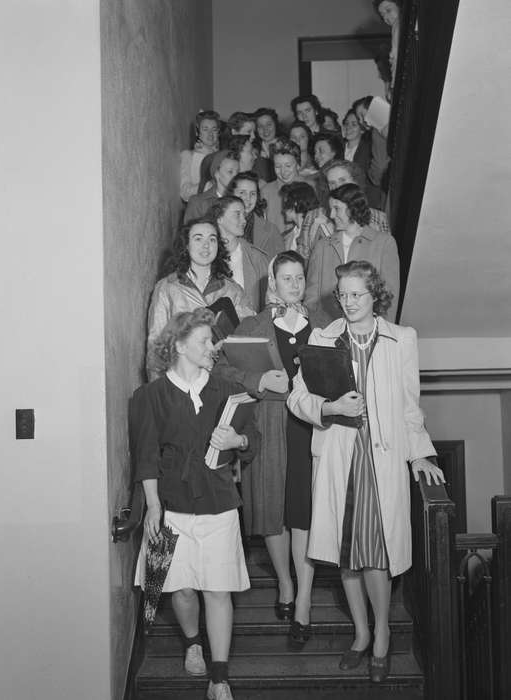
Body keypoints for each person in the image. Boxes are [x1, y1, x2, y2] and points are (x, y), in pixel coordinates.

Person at [287, 260, 444, 682]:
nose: (350, 302)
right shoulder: (322, 337)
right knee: (347, 553)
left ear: (376, 294)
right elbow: (295, 398)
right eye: (343, 294)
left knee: (376, 551)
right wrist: (330, 408)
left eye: (358, 293)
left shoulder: (401, 339)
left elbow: (410, 407)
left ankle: (382, 633)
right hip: (340, 455)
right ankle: (359, 633)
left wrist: (421, 455)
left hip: (382, 457)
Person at [132, 308, 260, 700]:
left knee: (218, 590)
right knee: (183, 590)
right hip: (172, 506)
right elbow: (146, 455)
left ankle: (219, 678)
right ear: (180, 345)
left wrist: (236, 442)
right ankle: (192, 642)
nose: (213, 348)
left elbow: (252, 438)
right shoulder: (149, 396)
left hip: (220, 503)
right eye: (205, 341)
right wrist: (153, 506)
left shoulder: (225, 390)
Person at [215, 251, 315, 646]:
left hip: (310, 427)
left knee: (304, 511)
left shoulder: (323, 325)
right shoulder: (253, 324)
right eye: (285, 277)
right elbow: (222, 368)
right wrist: (259, 379)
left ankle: (304, 599)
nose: (293, 284)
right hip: (269, 426)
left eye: (299, 277)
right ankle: (286, 584)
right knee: (273, 508)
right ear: (271, 281)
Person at [145, 218, 254, 381]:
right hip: (181, 382)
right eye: (198, 238)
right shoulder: (167, 288)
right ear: (186, 245)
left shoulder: (233, 290)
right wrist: (161, 394)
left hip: (224, 381)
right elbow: (156, 346)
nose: (206, 245)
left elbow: (249, 340)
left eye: (212, 239)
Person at [304, 183, 399, 326]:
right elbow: (311, 297)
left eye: (337, 209)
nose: (331, 215)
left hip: (369, 331)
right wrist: (316, 331)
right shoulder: (322, 246)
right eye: (331, 209)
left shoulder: (384, 243)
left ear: (353, 208)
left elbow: (390, 296)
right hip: (327, 330)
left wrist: (383, 332)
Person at [208, 196, 270, 312]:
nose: (244, 221)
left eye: (244, 215)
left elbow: (268, 302)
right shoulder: (206, 257)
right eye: (237, 214)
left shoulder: (257, 258)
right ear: (219, 218)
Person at [225, 171, 284, 257]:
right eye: (242, 193)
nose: (248, 198)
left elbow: (282, 265)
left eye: (252, 194)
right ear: (231, 194)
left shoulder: (271, 231)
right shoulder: (219, 226)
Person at [326, 160, 391, 234]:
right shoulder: (317, 218)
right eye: (332, 183)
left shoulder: (378, 218)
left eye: (342, 180)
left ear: (356, 181)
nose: (337, 186)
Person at [261, 140, 309, 232]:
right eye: (278, 166)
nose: (283, 172)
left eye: (288, 166)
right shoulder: (266, 191)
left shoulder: (310, 187)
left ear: (298, 165)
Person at [342, 108, 384, 210]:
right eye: (346, 124)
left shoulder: (370, 149)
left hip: (364, 202)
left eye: (354, 124)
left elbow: (373, 181)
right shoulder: (338, 147)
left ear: (362, 128)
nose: (348, 127)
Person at [352, 96, 390, 208]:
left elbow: (380, 167)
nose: (362, 121)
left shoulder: (377, 132)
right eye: (359, 119)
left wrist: (373, 175)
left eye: (363, 116)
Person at [280, 181, 332, 259]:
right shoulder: (288, 235)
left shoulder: (320, 228)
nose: (282, 209)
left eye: (285, 203)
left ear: (295, 203)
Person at [185, 151, 239, 223]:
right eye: (230, 172)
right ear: (216, 174)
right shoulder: (198, 203)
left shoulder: (241, 199)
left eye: (238, 172)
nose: (236, 177)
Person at [180, 110, 220, 202]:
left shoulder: (222, 156)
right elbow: (184, 193)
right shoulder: (188, 155)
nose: (210, 134)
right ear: (197, 132)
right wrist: (211, 185)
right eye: (205, 129)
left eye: (214, 129)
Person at [373, 0, 403, 86]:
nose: (386, 18)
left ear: (400, 7)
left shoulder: (398, 24)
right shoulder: (397, 26)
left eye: (388, 10)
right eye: (382, 15)